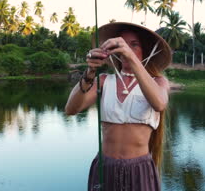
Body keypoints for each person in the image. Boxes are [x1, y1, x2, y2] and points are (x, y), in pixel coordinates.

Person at [65, 22, 172, 191]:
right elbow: (71, 109)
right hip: (105, 167)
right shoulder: (104, 81)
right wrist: (90, 71)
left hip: (139, 170)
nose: (126, 49)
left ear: (145, 50)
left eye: (134, 45)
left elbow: (159, 103)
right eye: (122, 44)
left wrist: (131, 57)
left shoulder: (158, 82)